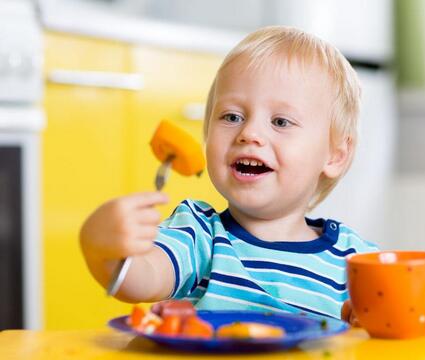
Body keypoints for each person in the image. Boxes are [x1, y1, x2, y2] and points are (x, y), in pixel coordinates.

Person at [80, 26, 378, 324]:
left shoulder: (356, 262)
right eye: (232, 117)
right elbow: (142, 277)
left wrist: (371, 327)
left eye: (280, 121)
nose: (249, 133)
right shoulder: (198, 235)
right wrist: (103, 249)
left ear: (335, 154)